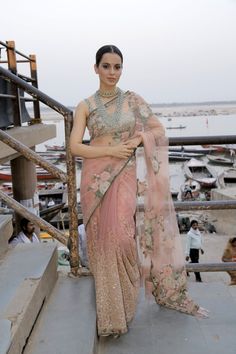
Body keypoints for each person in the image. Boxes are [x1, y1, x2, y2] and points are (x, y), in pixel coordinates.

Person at [70, 44, 207, 337]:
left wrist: (135, 142)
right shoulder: (85, 105)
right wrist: (114, 148)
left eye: (117, 66)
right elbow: (74, 146)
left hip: (123, 177)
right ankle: (111, 315)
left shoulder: (133, 101)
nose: (112, 72)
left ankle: (127, 303)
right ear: (95, 68)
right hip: (95, 182)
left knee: (121, 237)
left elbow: (158, 131)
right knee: (103, 243)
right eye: (106, 66)